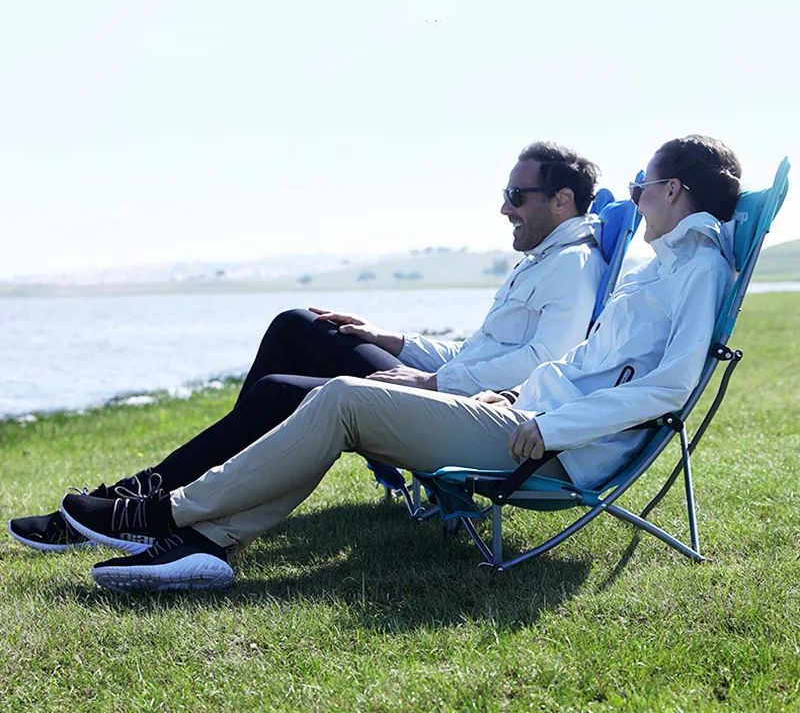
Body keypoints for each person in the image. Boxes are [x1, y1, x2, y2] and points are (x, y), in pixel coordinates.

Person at [59, 134, 742, 593]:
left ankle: (165, 513)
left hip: (549, 444)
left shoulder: (697, 268)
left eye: (642, 183)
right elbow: (580, 363)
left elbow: (670, 387)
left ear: (674, 190)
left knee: (343, 399)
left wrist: (554, 425)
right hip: (522, 414)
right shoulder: (666, 266)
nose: (637, 193)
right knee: (337, 388)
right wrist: (514, 394)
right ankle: (201, 543)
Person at [9, 141, 607, 552]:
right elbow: (476, 353)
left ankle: (153, 503)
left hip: (481, 414)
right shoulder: (542, 263)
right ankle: (157, 494)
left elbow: (537, 369)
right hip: (459, 390)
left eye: (517, 195)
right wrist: (389, 339)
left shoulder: (571, 267)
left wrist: (427, 384)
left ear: (562, 202)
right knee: (299, 323)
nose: (504, 206)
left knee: (276, 394)